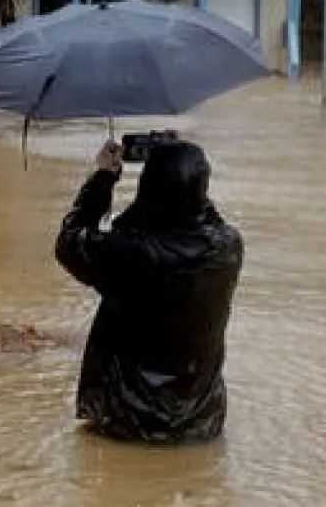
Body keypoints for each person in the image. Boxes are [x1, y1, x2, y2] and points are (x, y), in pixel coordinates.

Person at [55, 138, 244, 445]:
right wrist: (182, 161)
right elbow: (200, 214)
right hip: (201, 422)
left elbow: (70, 241)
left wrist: (103, 177)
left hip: (126, 423)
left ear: (149, 187)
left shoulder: (127, 252)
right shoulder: (227, 245)